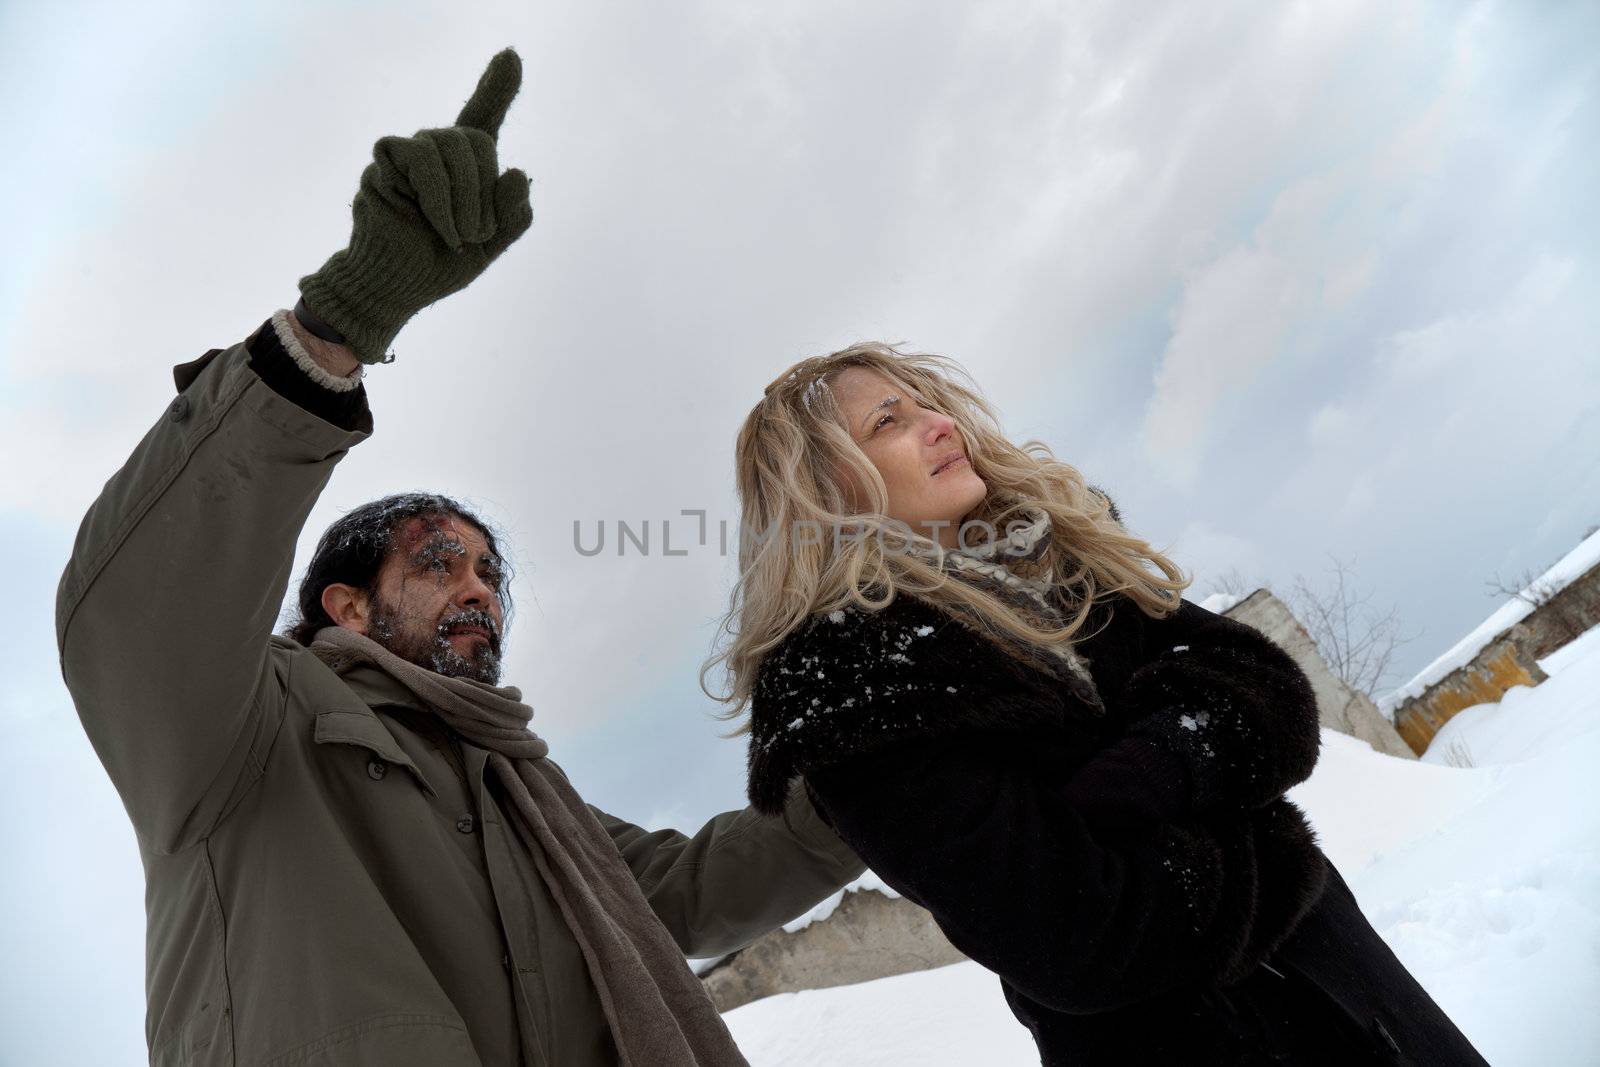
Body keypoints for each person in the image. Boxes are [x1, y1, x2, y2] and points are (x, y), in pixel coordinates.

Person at [56, 50, 861, 1067]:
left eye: (488, 571)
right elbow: (145, 607)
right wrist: (336, 326)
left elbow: (697, 890)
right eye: (437, 561)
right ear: (345, 604)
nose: (477, 586)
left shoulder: (527, 792)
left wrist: (877, 763)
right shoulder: (240, 734)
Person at [712, 343, 1488, 1065]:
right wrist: (1258, 839)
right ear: (823, 490)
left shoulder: (1055, 560)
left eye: (926, 404)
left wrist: (1152, 772)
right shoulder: (857, 695)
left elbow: (1270, 692)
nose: (939, 423)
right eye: (889, 421)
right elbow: (1078, 937)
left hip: (1341, 971)